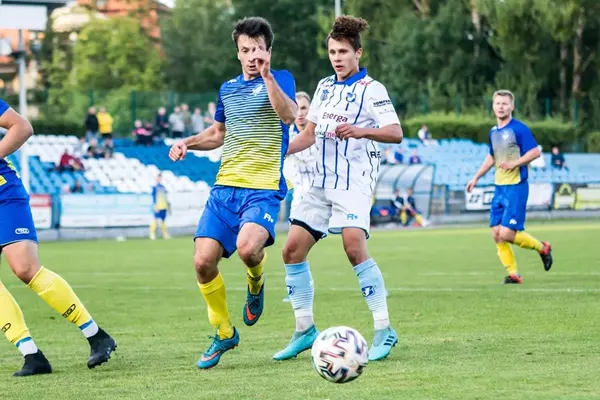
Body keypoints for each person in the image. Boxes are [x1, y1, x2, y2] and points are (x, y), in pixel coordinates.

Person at [168, 16, 297, 369]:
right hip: (225, 189)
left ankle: (256, 282)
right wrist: (187, 142)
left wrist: (268, 77)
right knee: (202, 262)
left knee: (248, 248)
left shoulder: (281, 79)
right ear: (238, 53)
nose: (253, 56)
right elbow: (218, 133)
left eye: (259, 49)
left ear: (269, 51)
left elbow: (288, 115)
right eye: (246, 50)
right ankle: (224, 332)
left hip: (262, 189)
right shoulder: (227, 89)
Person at [273, 16, 402, 363]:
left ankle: (384, 328)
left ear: (358, 52)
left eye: (343, 52)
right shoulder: (324, 87)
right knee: (291, 251)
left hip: (353, 182)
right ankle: (304, 330)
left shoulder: (373, 89)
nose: (337, 58)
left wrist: (361, 131)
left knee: (353, 248)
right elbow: (308, 135)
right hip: (318, 182)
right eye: (332, 52)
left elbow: (395, 132)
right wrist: (276, 152)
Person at [0, 98, 116, 377]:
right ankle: (32, 355)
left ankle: (97, 336)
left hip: (3, 196)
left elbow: (22, 127)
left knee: (25, 269)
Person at [466, 90, 553, 284]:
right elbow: (492, 157)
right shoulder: (493, 132)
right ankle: (514, 274)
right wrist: (476, 177)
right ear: (493, 106)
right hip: (499, 187)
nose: (501, 107)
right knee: (497, 234)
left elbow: (535, 152)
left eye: (505, 103)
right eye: (497, 103)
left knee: (507, 233)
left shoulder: (519, 129)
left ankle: (543, 248)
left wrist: (515, 163)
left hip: (516, 187)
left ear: (512, 106)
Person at [150, 173, 170, 240]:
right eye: (157, 177)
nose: (159, 179)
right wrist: (155, 205)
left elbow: (165, 197)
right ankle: (152, 233)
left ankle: (165, 234)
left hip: (164, 206)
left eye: (159, 177)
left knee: (163, 221)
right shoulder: (155, 187)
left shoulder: (163, 187)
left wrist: (167, 205)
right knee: (156, 220)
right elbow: (154, 198)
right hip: (158, 206)